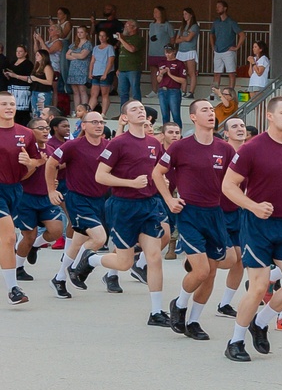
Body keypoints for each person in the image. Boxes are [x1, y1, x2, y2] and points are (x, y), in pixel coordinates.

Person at [220, 97, 282, 361]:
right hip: (257, 225)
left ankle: (260, 322)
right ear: (269, 116)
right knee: (259, 286)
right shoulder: (252, 148)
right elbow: (228, 186)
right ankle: (235, 341)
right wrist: (252, 206)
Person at [70, 100, 170, 325]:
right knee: (124, 263)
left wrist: (168, 191)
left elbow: (159, 172)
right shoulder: (117, 143)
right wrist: (131, 183)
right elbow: (101, 176)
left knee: (154, 257)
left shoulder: (154, 143)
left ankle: (156, 312)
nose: (140, 111)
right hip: (123, 206)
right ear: (124, 118)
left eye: (142, 108)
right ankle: (92, 259)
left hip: (149, 205)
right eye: (134, 109)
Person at [153, 99, 237, 341]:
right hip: (189, 213)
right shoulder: (180, 147)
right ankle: (179, 304)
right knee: (201, 272)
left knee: (211, 272)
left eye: (212, 110)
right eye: (205, 110)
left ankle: (194, 321)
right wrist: (169, 199)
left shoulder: (225, 149)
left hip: (216, 214)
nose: (211, 113)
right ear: (193, 117)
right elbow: (157, 173)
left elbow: (236, 179)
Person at [46, 111, 111, 299]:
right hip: (78, 199)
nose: (99, 125)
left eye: (101, 122)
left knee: (77, 243)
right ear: (83, 125)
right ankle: (76, 269)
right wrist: (51, 190)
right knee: (99, 238)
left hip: (99, 200)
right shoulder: (72, 146)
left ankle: (59, 279)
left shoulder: (108, 147)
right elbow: (51, 164)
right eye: (94, 122)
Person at [0, 92, 43, 303]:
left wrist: (30, 162)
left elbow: (37, 161)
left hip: (15, 189)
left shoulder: (25, 133)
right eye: (4, 104)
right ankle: (13, 289)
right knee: (8, 238)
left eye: (12, 104)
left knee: (7, 239)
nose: (9, 107)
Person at [11, 118, 62, 282]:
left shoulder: (52, 149)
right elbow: (21, 176)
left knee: (56, 230)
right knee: (29, 235)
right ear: (30, 131)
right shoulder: (23, 151)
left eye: (47, 128)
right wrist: (38, 163)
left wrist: (53, 183)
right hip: (26, 198)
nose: (45, 131)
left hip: (46, 197)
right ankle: (18, 267)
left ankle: (35, 246)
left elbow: (54, 169)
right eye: (40, 128)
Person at [216, 116, 248, 317]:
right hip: (218, 211)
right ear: (226, 133)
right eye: (234, 126)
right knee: (229, 258)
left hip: (241, 212)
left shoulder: (251, 152)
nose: (240, 129)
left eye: (242, 126)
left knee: (240, 260)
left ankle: (225, 304)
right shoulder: (219, 152)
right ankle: (198, 261)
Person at [210, 1, 245, 95]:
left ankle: (230, 94)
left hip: (228, 51)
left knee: (231, 73)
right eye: (216, 6)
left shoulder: (231, 22)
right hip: (218, 51)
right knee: (216, 73)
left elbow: (242, 35)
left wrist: (237, 47)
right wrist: (213, 45)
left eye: (219, 6)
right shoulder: (216, 22)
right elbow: (211, 34)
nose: (217, 8)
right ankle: (214, 93)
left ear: (225, 8)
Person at [116, 20, 145, 109]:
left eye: (127, 25)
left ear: (134, 27)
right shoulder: (124, 38)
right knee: (123, 93)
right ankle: (123, 113)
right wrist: (118, 68)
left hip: (133, 68)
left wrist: (121, 39)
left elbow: (132, 49)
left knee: (135, 92)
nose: (125, 26)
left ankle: (138, 111)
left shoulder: (138, 39)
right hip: (122, 69)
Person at [156, 45, 187, 128]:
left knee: (175, 115)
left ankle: (178, 134)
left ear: (174, 52)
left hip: (174, 91)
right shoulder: (161, 63)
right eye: (166, 52)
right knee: (165, 115)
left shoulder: (179, 63)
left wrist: (170, 74)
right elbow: (158, 80)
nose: (167, 55)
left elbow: (183, 80)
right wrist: (161, 74)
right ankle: (166, 135)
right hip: (162, 90)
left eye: (169, 52)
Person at [147, 6, 175, 97]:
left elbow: (172, 38)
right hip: (153, 51)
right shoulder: (151, 25)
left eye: (157, 12)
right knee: (153, 71)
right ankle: (154, 90)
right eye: (154, 12)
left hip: (162, 53)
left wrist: (170, 50)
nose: (154, 13)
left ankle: (163, 89)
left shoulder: (167, 25)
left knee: (163, 71)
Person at [5, 45, 35, 125]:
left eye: (20, 51)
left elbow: (30, 78)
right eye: (17, 51)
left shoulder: (28, 64)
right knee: (13, 110)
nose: (18, 53)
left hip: (22, 90)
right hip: (12, 88)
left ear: (25, 53)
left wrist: (16, 76)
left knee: (22, 112)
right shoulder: (13, 62)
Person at [87, 31, 115, 116]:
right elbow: (92, 61)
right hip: (96, 72)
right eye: (100, 36)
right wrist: (90, 72)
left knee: (104, 94)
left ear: (107, 38)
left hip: (105, 73)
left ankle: (103, 113)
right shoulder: (95, 48)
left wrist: (105, 73)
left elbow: (110, 61)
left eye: (103, 36)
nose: (101, 38)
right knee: (93, 94)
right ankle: (88, 112)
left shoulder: (109, 47)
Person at [175, 8, 200, 98]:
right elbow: (176, 40)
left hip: (190, 51)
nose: (184, 16)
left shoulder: (194, 26)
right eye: (183, 14)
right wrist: (184, 38)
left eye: (186, 14)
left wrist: (182, 38)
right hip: (181, 51)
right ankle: (183, 91)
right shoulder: (182, 27)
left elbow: (189, 38)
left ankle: (191, 92)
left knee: (191, 72)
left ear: (191, 15)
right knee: (182, 72)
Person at [65, 26, 93, 109]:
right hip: (73, 69)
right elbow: (66, 55)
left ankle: (84, 109)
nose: (79, 34)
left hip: (82, 69)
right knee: (75, 91)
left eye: (81, 32)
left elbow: (83, 56)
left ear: (86, 33)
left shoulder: (87, 44)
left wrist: (73, 54)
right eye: (78, 32)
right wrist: (77, 56)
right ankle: (77, 110)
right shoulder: (74, 43)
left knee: (82, 90)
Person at [28, 51, 56, 119]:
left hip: (44, 92)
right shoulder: (36, 67)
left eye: (38, 55)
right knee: (34, 111)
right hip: (35, 91)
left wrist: (36, 79)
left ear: (43, 57)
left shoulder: (47, 67)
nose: (36, 57)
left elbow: (49, 82)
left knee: (42, 111)